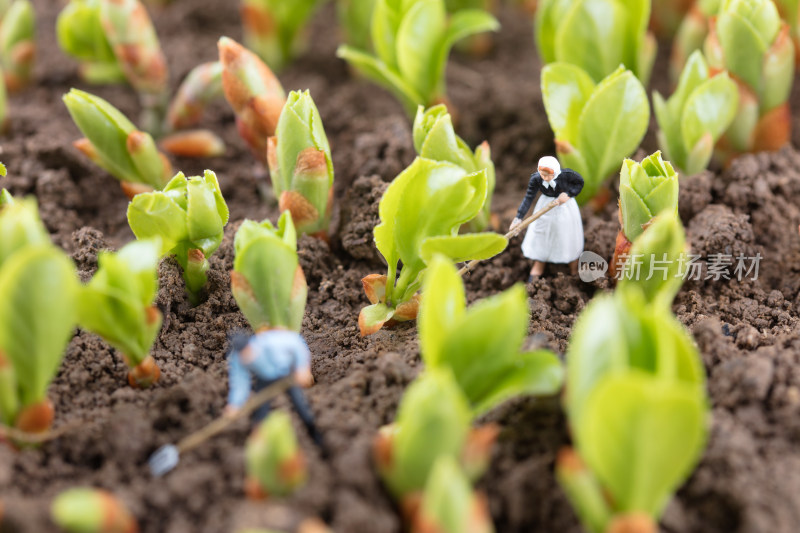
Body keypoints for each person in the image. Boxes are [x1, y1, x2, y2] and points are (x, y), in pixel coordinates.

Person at [224, 330, 323, 446]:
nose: (247, 358)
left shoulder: (269, 342)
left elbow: (297, 344)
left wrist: (302, 368)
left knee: (300, 405)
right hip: (264, 378)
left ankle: (314, 433)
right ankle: (259, 440)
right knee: (260, 411)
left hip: (285, 373)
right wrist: (235, 404)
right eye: (243, 356)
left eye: (248, 353)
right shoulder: (239, 360)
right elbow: (240, 383)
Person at [510, 156, 585, 281]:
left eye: (547, 175)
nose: (544, 178)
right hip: (545, 207)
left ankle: (573, 263)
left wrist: (568, 194)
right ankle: (540, 262)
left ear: (555, 172)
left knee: (566, 235)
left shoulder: (567, 175)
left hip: (564, 207)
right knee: (542, 235)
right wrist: (518, 218)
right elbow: (528, 198)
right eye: (542, 175)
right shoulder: (536, 179)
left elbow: (579, 183)